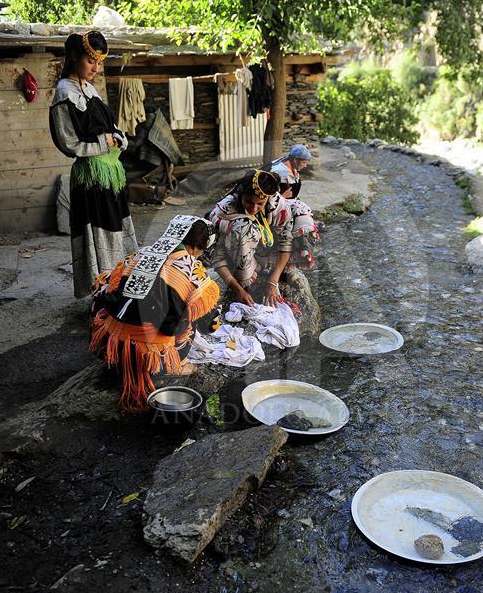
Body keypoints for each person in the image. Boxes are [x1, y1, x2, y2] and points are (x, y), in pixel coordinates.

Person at [90, 216, 220, 411]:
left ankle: (120, 358)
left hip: (110, 346)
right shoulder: (194, 270)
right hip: (149, 359)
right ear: (198, 247)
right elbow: (210, 325)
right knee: (192, 319)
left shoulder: (139, 254)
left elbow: (104, 287)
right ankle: (176, 365)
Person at [49, 31, 138, 298]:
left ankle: (119, 287)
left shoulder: (90, 89)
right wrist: (104, 142)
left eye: (99, 63)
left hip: (110, 175)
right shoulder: (64, 92)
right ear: (75, 56)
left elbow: (108, 127)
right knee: (99, 235)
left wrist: (118, 138)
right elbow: (69, 142)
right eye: (91, 61)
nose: (95, 68)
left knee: (115, 230)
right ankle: (103, 294)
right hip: (90, 177)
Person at [208, 169, 293, 307]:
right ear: (241, 195)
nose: (254, 208)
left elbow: (286, 242)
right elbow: (218, 258)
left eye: (260, 204)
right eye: (249, 202)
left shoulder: (278, 206)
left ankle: (272, 269)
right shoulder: (225, 211)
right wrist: (238, 289)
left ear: (268, 199)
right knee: (243, 227)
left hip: (268, 256)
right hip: (236, 257)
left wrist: (273, 280)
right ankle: (246, 276)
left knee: (301, 213)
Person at [270, 144, 320, 270]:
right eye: (304, 162)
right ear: (294, 160)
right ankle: (303, 248)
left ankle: (302, 246)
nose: (306, 165)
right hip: (276, 205)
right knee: (302, 210)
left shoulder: (292, 168)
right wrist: (283, 195)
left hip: (287, 201)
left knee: (302, 209)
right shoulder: (279, 172)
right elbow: (269, 194)